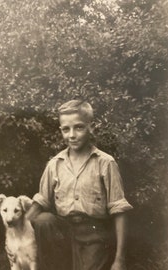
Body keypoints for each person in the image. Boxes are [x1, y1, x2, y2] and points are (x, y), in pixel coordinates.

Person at [26, 100, 133, 270]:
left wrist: (120, 260)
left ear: (91, 127)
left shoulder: (105, 163)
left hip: (94, 235)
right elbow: (40, 203)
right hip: (62, 234)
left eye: (79, 127)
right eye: (65, 129)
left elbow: (119, 211)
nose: (72, 135)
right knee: (44, 220)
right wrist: (16, 233)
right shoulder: (55, 164)